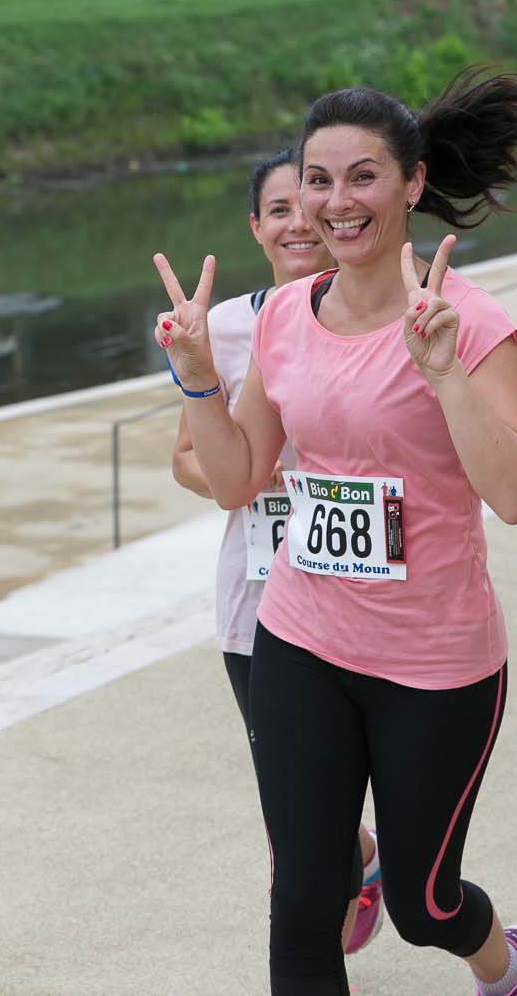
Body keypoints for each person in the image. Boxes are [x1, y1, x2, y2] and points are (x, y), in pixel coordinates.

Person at [156, 70, 517, 996]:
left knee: (422, 904)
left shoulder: (469, 321)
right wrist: (198, 375)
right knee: (304, 897)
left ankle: (506, 962)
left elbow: (516, 493)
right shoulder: (288, 317)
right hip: (301, 639)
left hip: (435, 662)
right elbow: (236, 478)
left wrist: (445, 372)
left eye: (363, 176)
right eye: (317, 180)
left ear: (413, 183)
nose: (336, 201)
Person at [170, 148, 385, 955]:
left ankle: (360, 864)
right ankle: (333, 920)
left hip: (365, 601)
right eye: (279, 209)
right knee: (293, 812)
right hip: (256, 607)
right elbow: (186, 459)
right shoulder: (224, 327)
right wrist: (250, 475)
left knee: (328, 800)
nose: (300, 222)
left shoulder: (378, 318)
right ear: (255, 227)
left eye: (311, 202)